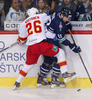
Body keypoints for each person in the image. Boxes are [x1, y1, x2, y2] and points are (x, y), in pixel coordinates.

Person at [13, 7, 77, 90]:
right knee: (60, 52)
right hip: (41, 45)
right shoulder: (41, 16)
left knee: (27, 66)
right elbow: (51, 17)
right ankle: (65, 73)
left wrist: (20, 41)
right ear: (36, 13)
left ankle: (17, 83)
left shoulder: (23, 23)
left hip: (31, 47)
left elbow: (21, 40)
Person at [37, 8, 81, 88]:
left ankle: (41, 78)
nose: (68, 19)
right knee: (59, 56)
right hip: (50, 41)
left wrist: (67, 24)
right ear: (62, 15)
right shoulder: (59, 23)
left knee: (49, 59)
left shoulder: (58, 14)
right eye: (67, 18)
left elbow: (56, 13)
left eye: (69, 18)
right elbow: (61, 38)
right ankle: (59, 76)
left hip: (45, 40)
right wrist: (72, 46)